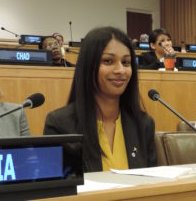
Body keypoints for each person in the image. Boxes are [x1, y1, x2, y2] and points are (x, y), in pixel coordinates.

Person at [44, 26, 157, 172]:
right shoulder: (60, 125)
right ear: (88, 66)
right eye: (108, 61)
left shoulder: (144, 124)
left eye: (126, 62)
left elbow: (153, 186)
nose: (120, 70)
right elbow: (59, 191)